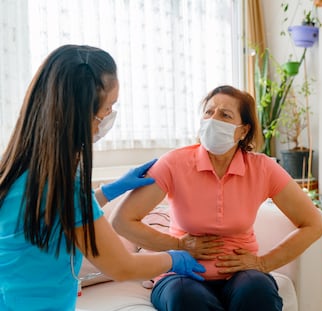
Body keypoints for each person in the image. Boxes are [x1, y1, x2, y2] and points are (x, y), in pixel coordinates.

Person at [0, 44, 205, 311]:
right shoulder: (62, 189)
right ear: (80, 113)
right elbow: (121, 266)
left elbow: (54, 217)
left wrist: (110, 191)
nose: (108, 117)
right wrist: (175, 258)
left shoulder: (16, 170)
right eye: (108, 108)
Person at [112, 85, 322, 311]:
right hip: (181, 274)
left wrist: (264, 263)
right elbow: (122, 221)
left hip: (240, 274)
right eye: (208, 112)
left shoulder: (262, 168)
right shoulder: (174, 163)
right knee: (186, 298)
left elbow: (313, 224)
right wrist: (177, 245)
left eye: (224, 115)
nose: (213, 119)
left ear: (243, 131)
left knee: (258, 292)